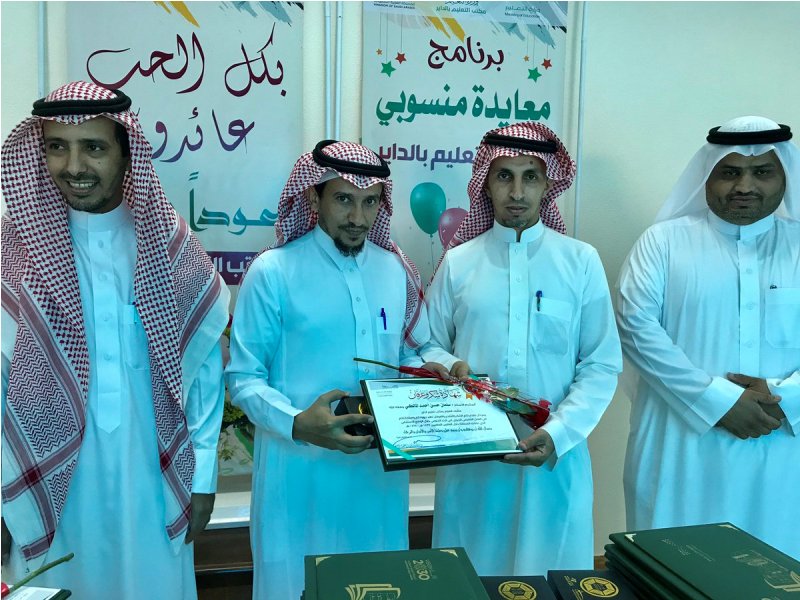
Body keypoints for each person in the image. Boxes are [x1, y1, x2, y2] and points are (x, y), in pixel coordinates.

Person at [0, 81, 230, 598]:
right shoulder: (13, 252)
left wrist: (203, 477)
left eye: (93, 147)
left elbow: (203, 378)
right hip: (50, 489)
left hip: (152, 483)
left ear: (127, 154)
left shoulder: (169, 246)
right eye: (57, 147)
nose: (73, 166)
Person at [225, 140, 448, 600]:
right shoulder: (273, 272)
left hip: (378, 475)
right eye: (344, 199)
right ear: (314, 197)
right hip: (299, 473)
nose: (358, 217)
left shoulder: (395, 270)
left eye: (370, 202)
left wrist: (440, 370)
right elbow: (243, 377)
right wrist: (298, 423)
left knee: (379, 582)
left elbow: (409, 353)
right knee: (298, 586)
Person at [422, 122, 622, 575]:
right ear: (485, 184)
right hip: (473, 459)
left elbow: (601, 363)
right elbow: (425, 345)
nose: (516, 192)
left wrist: (560, 433)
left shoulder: (580, 261)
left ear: (548, 184)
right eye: (504, 176)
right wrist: (451, 364)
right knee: (472, 574)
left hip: (556, 456)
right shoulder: (458, 262)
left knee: (551, 575)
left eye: (530, 176)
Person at [617, 116, 800, 560]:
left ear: (784, 177)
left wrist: (786, 398)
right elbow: (635, 327)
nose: (745, 186)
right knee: (674, 567)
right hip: (679, 449)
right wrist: (716, 401)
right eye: (730, 172)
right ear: (707, 176)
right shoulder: (662, 243)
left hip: (783, 447)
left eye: (762, 172)